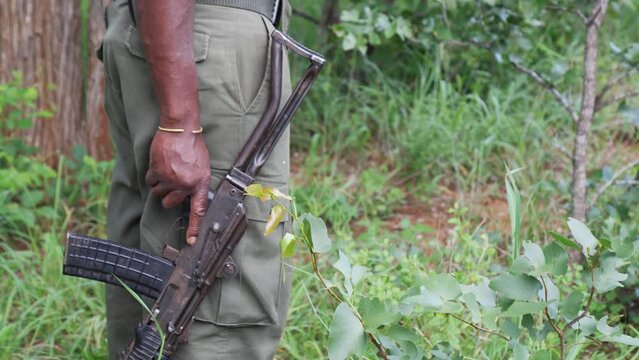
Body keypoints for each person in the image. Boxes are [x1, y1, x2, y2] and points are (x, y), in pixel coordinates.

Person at [100, 0, 292, 358]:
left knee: (150, 268)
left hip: (164, 31)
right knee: (211, 300)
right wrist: (180, 122)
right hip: (203, 45)